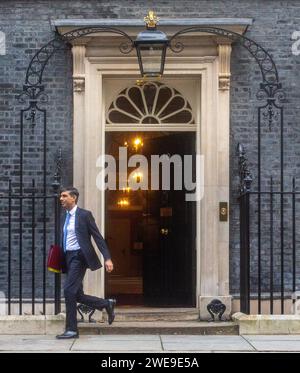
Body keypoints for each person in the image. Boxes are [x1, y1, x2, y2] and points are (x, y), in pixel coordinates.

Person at [56, 187, 116, 339]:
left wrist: (107, 258)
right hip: (68, 257)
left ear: (73, 198)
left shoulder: (84, 215)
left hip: (79, 256)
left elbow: (98, 237)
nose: (61, 199)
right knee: (77, 294)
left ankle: (72, 329)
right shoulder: (65, 216)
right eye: (60, 196)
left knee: (68, 291)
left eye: (64, 196)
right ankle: (106, 304)